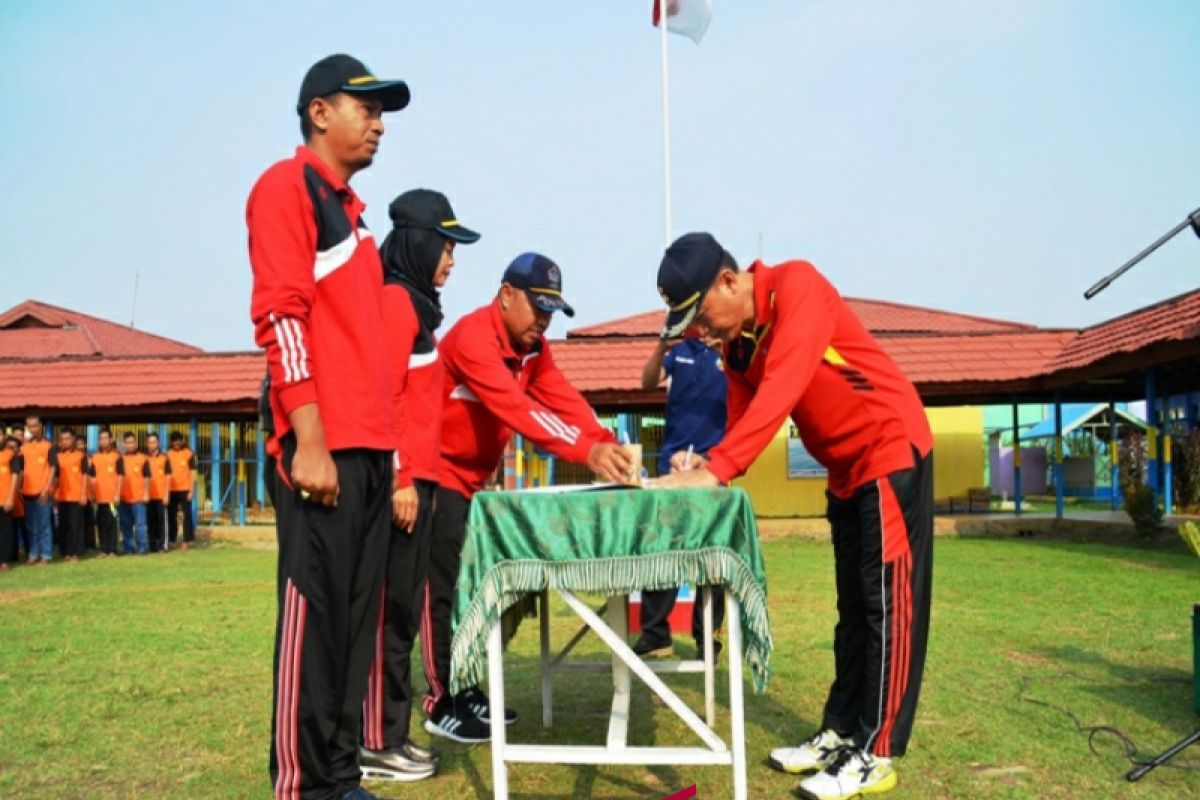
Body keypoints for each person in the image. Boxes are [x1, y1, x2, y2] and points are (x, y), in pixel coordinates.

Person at [651, 233, 934, 800]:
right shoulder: (736, 346)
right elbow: (742, 414)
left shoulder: (798, 288)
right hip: (845, 472)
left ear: (729, 281)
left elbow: (781, 391)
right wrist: (703, 461)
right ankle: (840, 732)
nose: (700, 333)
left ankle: (877, 751)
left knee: (886, 606)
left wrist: (717, 470)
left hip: (888, 450)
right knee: (852, 608)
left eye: (701, 316)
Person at [248, 53, 410, 800]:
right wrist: (307, 437)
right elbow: (282, 316)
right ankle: (302, 788)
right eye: (365, 106)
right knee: (315, 624)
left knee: (354, 627)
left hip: (371, 449)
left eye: (382, 112)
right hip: (327, 446)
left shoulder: (354, 216)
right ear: (320, 111)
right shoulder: (287, 188)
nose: (378, 123)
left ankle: (342, 779)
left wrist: (393, 455)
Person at [423, 252, 634, 743]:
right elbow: (518, 410)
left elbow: (561, 398)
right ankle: (440, 701)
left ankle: (465, 684)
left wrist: (604, 439)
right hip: (435, 475)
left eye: (552, 311)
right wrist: (586, 450)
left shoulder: (534, 350)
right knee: (443, 589)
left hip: (474, 484)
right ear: (505, 295)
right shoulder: (475, 338)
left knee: (474, 589)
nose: (544, 320)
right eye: (537, 307)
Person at [359, 189, 479, 783]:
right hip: (405, 484)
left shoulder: (418, 307)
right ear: (419, 243)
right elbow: (382, 398)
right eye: (447, 247)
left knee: (405, 611)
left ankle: (392, 733)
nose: (452, 262)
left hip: (426, 480)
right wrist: (402, 477)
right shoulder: (396, 303)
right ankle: (377, 741)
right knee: (390, 611)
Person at [632, 329, 728, 661]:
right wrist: (661, 346)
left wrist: (715, 461)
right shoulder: (679, 349)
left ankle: (708, 640)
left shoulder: (733, 352)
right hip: (672, 464)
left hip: (714, 466)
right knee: (660, 546)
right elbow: (647, 381)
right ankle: (656, 634)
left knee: (711, 553)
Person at [20, 415, 57, 565]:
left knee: (44, 525)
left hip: (43, 492)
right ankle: (33, 554)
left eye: (35, 426)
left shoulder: (49, 446)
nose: (33, 429)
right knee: (31, 526)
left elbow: (53, 467)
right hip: (27, 492)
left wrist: (47, 489)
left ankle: (46, 555)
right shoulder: (23, 447)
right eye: (30, 426)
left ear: (40, 425)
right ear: (26, 427)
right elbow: (21, 471)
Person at [53, 428, 89, 562]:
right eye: (62, 439)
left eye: (68, 439)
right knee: (65, 526)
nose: (65, 442)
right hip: (62, 497)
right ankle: (66, 552)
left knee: (76, 526)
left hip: (76, 496)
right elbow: (55, 476)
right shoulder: (58, 456)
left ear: (73, 439)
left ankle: (77, 553)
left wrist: (84, 493)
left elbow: (85, 475)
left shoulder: (81, 455)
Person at [90, 428, 123, 557]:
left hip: (111, 498)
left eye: (105, 438)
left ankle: (113, 550)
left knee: (112, 524)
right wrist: (92, 493)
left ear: (111, 439)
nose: (103, 441)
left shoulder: (116, 456)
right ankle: (103, 549)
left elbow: (120, 476)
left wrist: (117, 494)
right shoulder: (95, 457)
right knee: (101, 523)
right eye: (101, 438)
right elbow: (92, 477)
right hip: (99, 498)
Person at [119, 432, 151, 555]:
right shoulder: (120, 458)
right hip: (124, 498)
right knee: (126, 525)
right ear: (124, 444)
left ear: (136, 443)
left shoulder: (143, 458)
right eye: (127, 442)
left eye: (132, 442)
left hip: (139, 498)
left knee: (140, 525)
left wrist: (146, 493)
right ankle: (129, 548)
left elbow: (147, 477)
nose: (130, 445)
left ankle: (142, 547)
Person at [166, 432, 197, 550]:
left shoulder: (189, 453)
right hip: (171, 490)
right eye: (174, 440)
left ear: (182, 440)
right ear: (171, 442)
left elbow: (193, 472)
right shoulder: (167, 454)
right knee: (171, 515)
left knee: (187, 515)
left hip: (185, 489)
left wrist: (191, 490)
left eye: (179, 440)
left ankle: (187, 540)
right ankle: (172, 539)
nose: (177, 442)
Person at [145, 432, 171, 552]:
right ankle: (152, 545)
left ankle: (162, 545)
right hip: (148, 496)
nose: (152, 444)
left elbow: (168, 477)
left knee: (162, 522)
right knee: (151, 522)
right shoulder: (144, 458)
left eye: (154, 442)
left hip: (161, 495)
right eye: (150, 442)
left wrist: (167, 494)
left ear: (158, 443)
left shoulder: (164, 458)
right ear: (147, 444)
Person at [0, 434, 22, 571]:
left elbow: (15, 476)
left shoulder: (11, 455)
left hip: (4, 500)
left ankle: (5, 561)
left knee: (5, 532)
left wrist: (10, 498)